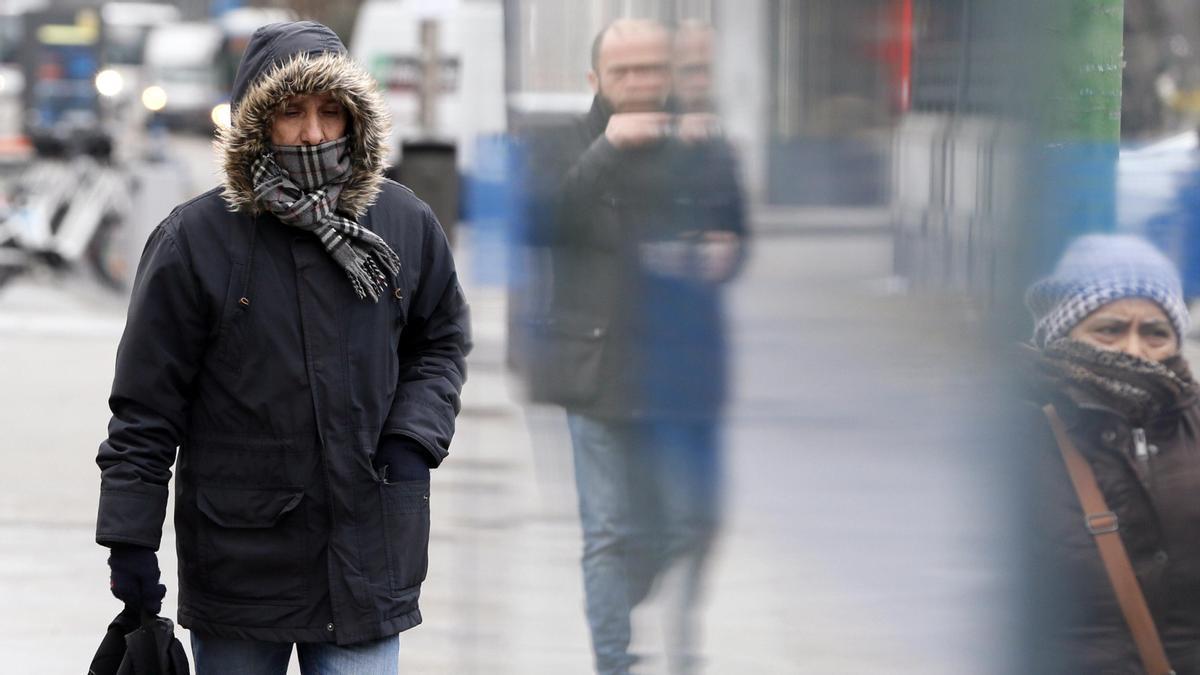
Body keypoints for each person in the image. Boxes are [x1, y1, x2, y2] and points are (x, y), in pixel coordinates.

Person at [94, 21, 469, 674]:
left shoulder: (405, 222)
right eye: (291, 112)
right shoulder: (195, 241)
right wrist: (130, 541)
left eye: (331, 110)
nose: (314, 132)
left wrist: (413, 439)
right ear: (255, 123)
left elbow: (440, 339)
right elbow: (146, 408)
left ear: (356, 118)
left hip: (367, 552)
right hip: (241, 566)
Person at [515, 18, 745, 675]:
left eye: (653, 69)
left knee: (686, 526)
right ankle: (614, 661)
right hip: (596, 368)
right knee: (608, 532)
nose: (642, 83)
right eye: (625, 72)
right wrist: (609, 148)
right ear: (596, 80)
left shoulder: (703, 143)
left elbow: (736, 231)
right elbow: (545, 223)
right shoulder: (563, 142)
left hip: (680, 371)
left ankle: (627, 602)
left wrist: (723, 253)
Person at [1021, 234, 1200, 673]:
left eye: (1155, 333)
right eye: (1110, 329)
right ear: (1063, 333)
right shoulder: (1016, 435)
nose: (1134, 350)